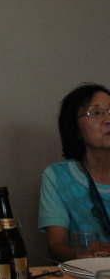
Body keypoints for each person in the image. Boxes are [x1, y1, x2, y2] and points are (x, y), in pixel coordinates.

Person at [39, 82, 110, 261]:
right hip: (88, 271)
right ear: (75, 129)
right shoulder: (58, 176)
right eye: (96, 113)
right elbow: (56, 247)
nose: (108, 119)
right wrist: (89, 255)